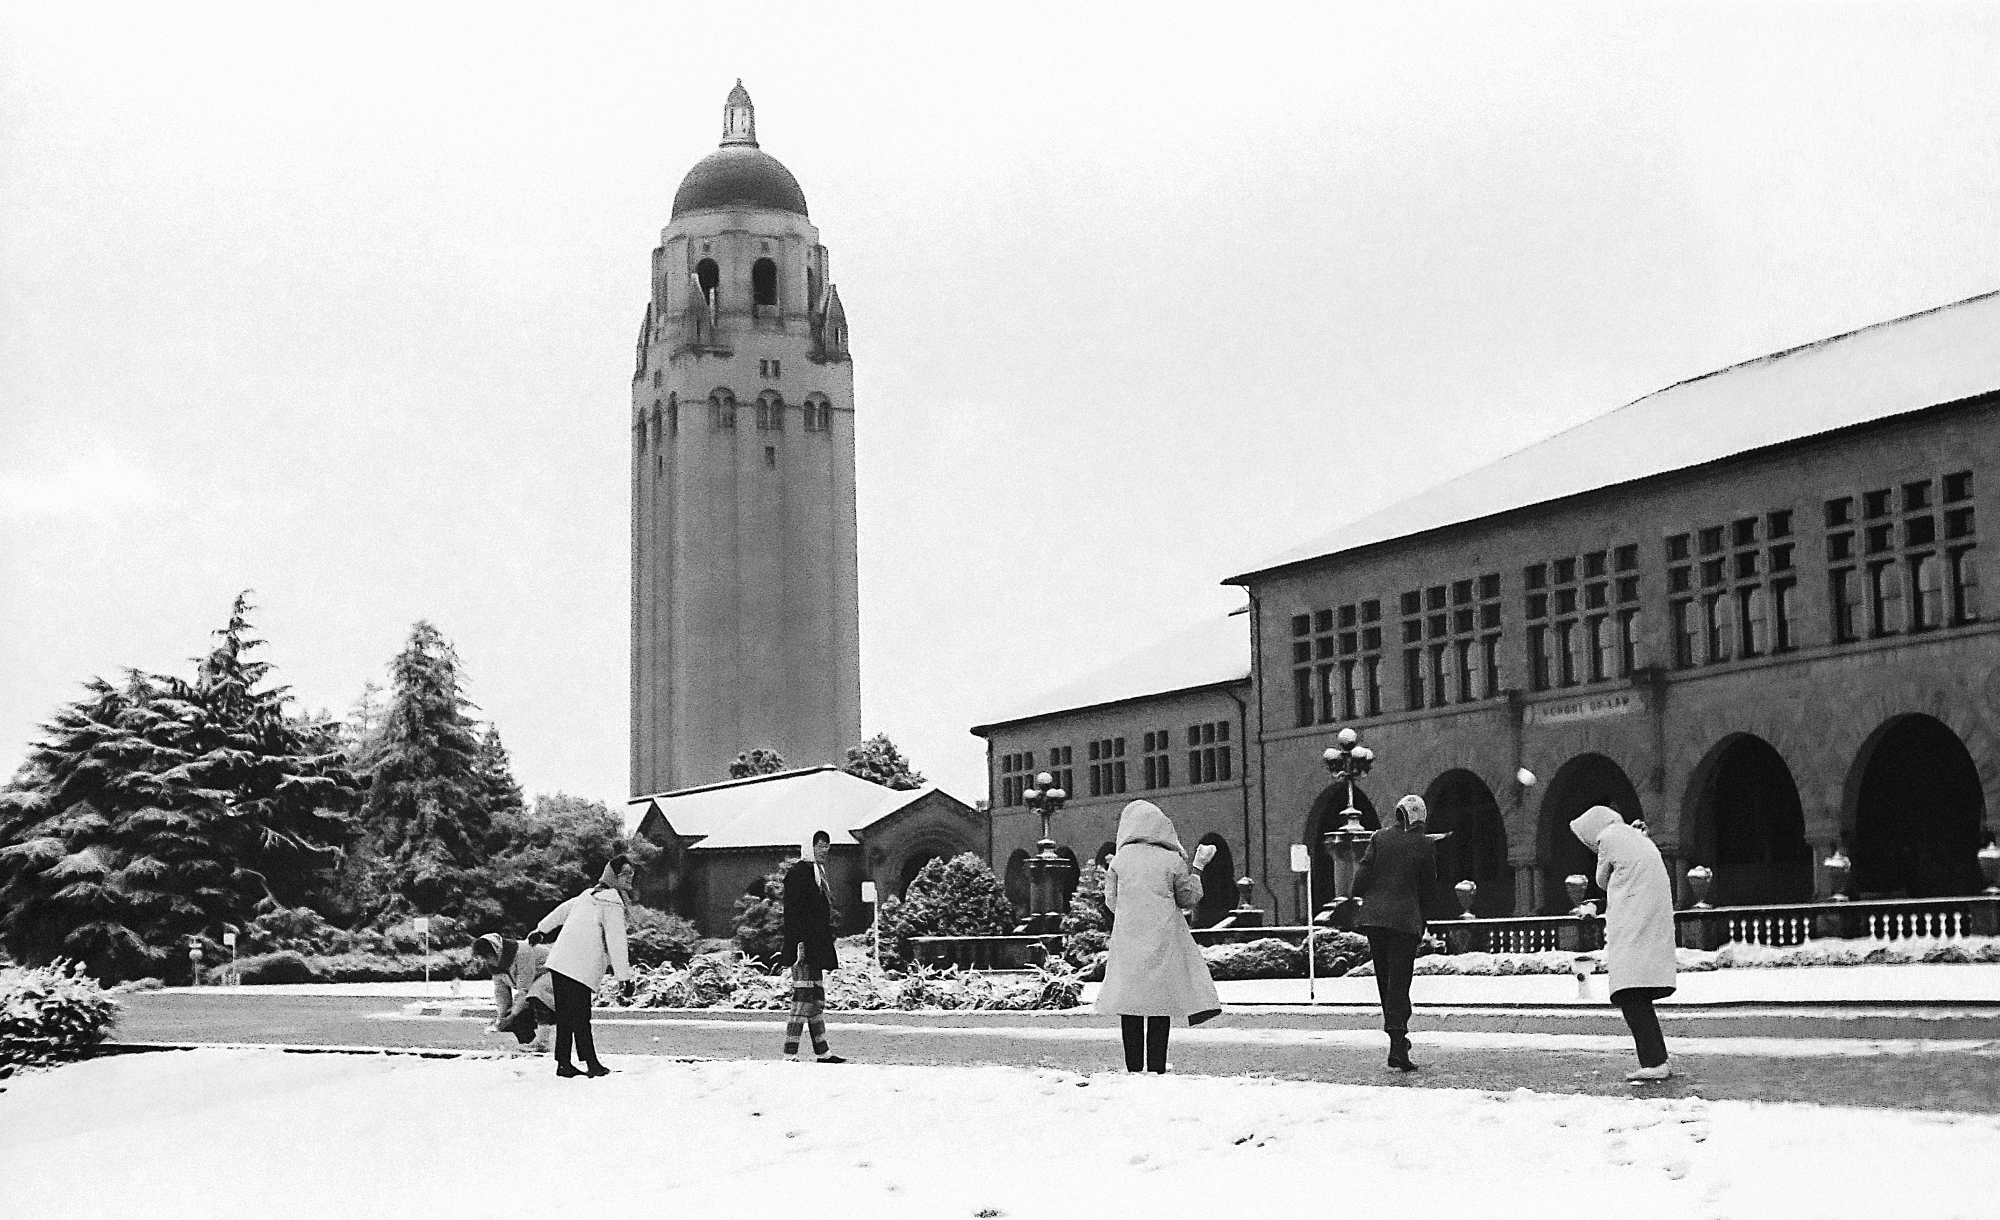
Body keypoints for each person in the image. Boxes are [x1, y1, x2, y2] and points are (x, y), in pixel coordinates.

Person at [1094, 800, 1222, 1073]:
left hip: (1128, 939)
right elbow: (1188, 898)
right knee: (1159, 1001)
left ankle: (1133, 1067)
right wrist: (1198, 867)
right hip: (1163, 938)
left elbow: (1111, 901)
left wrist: (1132, 915)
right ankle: (1156, 1066)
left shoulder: (1120, 861)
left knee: (1130, 1003)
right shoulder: (1171, 859)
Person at [1570, 804, 1679, 1082]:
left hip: (1633, 927)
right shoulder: (1634, 837)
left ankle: (1654, 1062)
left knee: (1630, 994)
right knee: (1637, 995)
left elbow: (1601, 880)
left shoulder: (1609, 837)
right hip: (1647, 923)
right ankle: (1658, 1060)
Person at [1352, 793, 1438, 1071]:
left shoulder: (1378, 837)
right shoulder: (1425, 845)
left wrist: (1364, 896)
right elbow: (1428, 888)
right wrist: (1425, 919)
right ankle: (1398, 1043)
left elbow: (1361, 876)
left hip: (1375, 920)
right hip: (1405, 921)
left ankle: (1396, 1037)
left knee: (1385, 980)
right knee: (1400, 982)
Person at [534, 855, 635, 1079]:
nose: (630, 878)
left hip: (561, 961)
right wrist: (624, 978)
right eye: (626, 874)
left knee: (566, 1016)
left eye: (632, 874)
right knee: (580, 1016)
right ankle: (590, 1063)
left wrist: (541, 929)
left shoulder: (587, 895)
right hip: (579, 966)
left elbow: (562, 910)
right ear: (614, 876)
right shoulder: (611, 903)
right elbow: (616, 941)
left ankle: (564, 1063)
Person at [781, 830, 846, 1063]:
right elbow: (794, 913)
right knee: (802, 998)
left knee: (816, 999)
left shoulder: (818, 874)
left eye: (827, 845)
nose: (824, 850)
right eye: (819, 846)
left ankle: (823, 1051)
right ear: (809, 847)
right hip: (803, 948)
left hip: (815, 947)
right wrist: (799, 945)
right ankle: (790, 1052)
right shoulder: (799, 874)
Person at [471, 932, 554, 1055]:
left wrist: (512, 1016)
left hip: (551, 977)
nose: (486, 961)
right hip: (531, 985)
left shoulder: (522, 952)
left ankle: (542, 1041)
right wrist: (503, 1016)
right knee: (515, 1014)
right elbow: (501, 991)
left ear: (496, 950)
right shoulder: (495, 966)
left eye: (487, 957)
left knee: (536, 995)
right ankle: (528, 1043)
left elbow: (523, 989)